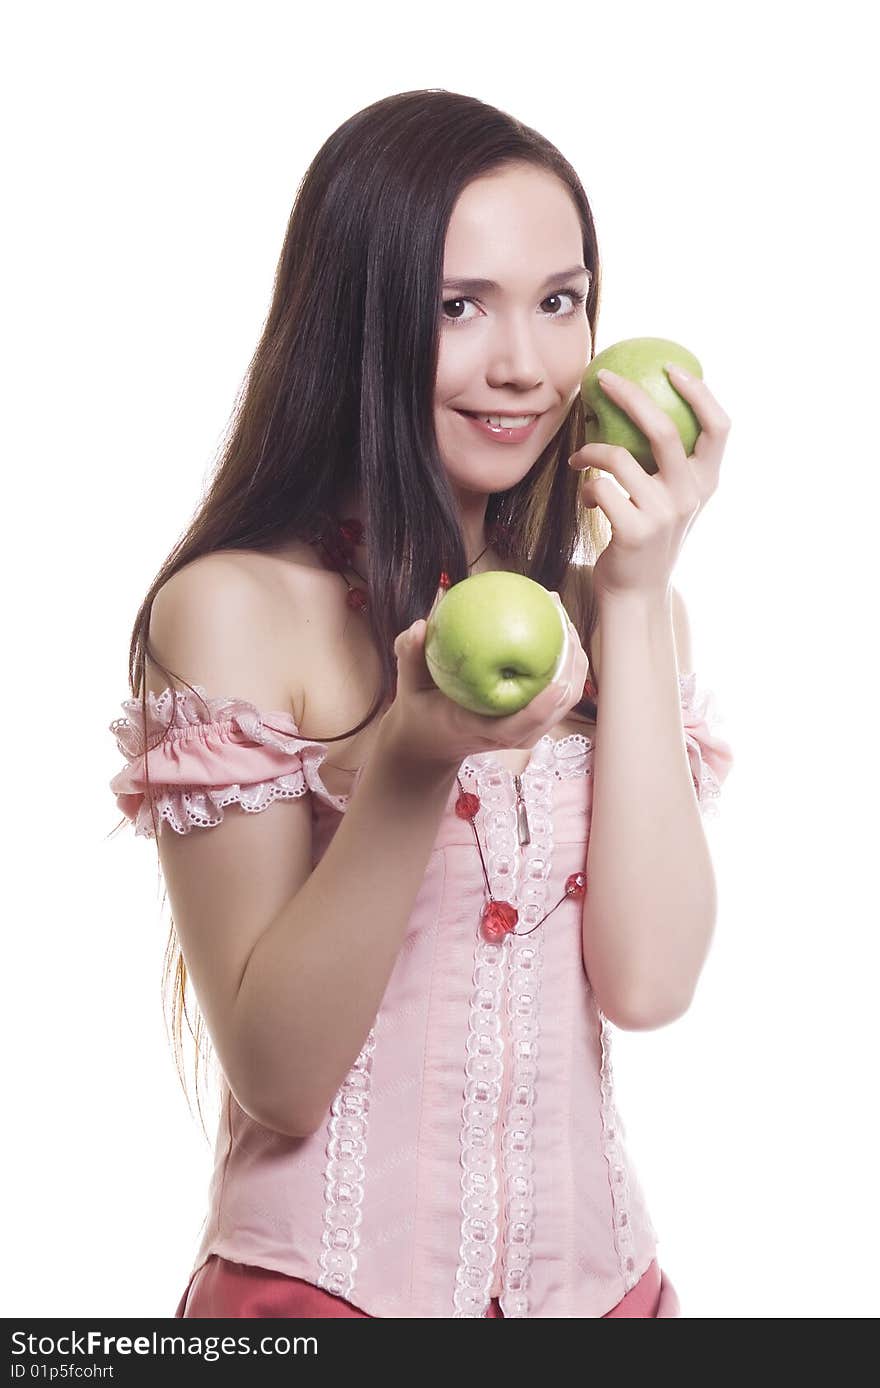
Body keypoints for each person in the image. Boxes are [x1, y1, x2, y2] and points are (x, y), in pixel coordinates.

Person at [107, 89, 734, 1319]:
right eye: (458, 307)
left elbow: (650, 983)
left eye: (561, 300)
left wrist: (641, 592)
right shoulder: (234, 609)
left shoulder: (618, 612)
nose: (527, 364)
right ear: (357, 321)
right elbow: (280, 1074)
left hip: (613, 1300)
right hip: (319, 1308)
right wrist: (409, 756)